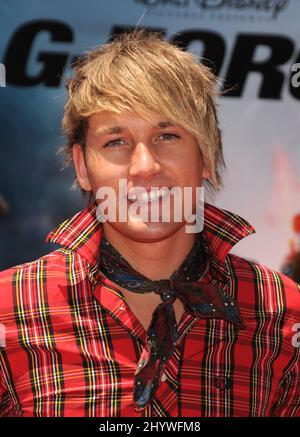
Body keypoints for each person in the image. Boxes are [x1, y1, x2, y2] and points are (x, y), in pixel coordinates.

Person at [0, 31, 299, 418]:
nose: (145, 167)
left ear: (206, 156)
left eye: (167, 135)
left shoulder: (284, 312)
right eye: (116, 142)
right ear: (82, 166)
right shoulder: (8, 309)